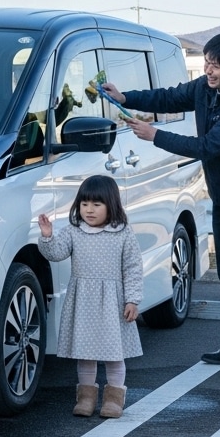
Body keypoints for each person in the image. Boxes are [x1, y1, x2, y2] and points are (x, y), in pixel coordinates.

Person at [100, 32, 220, 367]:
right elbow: (169, 98)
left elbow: (206, 147)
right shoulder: (206, 87)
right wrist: (125, 97)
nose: (209, 71)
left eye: (217, 66)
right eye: (207, 63)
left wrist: (154, 135)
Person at [37, 174, 144, 419]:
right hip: (83, 301)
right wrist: (46, 236)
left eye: (97, 205)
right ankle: (86, 398)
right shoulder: (74, 231)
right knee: (85, 352)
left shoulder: (122, 233)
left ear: (111, 205)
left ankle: (113, 399)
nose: (89, 210)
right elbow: (55, 253)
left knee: (113, 353)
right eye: (85, 204)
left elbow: (133, 268)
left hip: (113, 303)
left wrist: (132, 300)